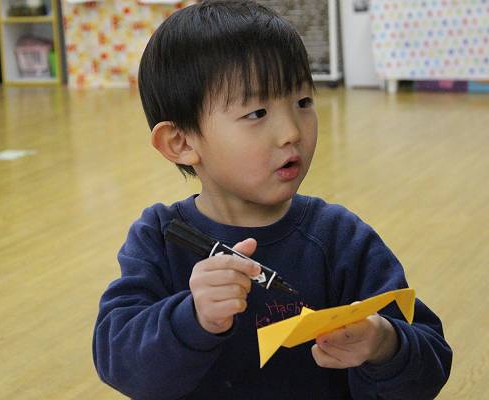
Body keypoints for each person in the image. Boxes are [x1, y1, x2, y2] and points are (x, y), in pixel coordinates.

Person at [92, 1, 452, 399]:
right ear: (181, 142)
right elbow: (118, 363)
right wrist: (192, 318)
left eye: (303, 103)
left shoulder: (339, 238)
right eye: (257, 112)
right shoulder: (161, 238)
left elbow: (431, 361)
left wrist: (385, 345)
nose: (291, 132)